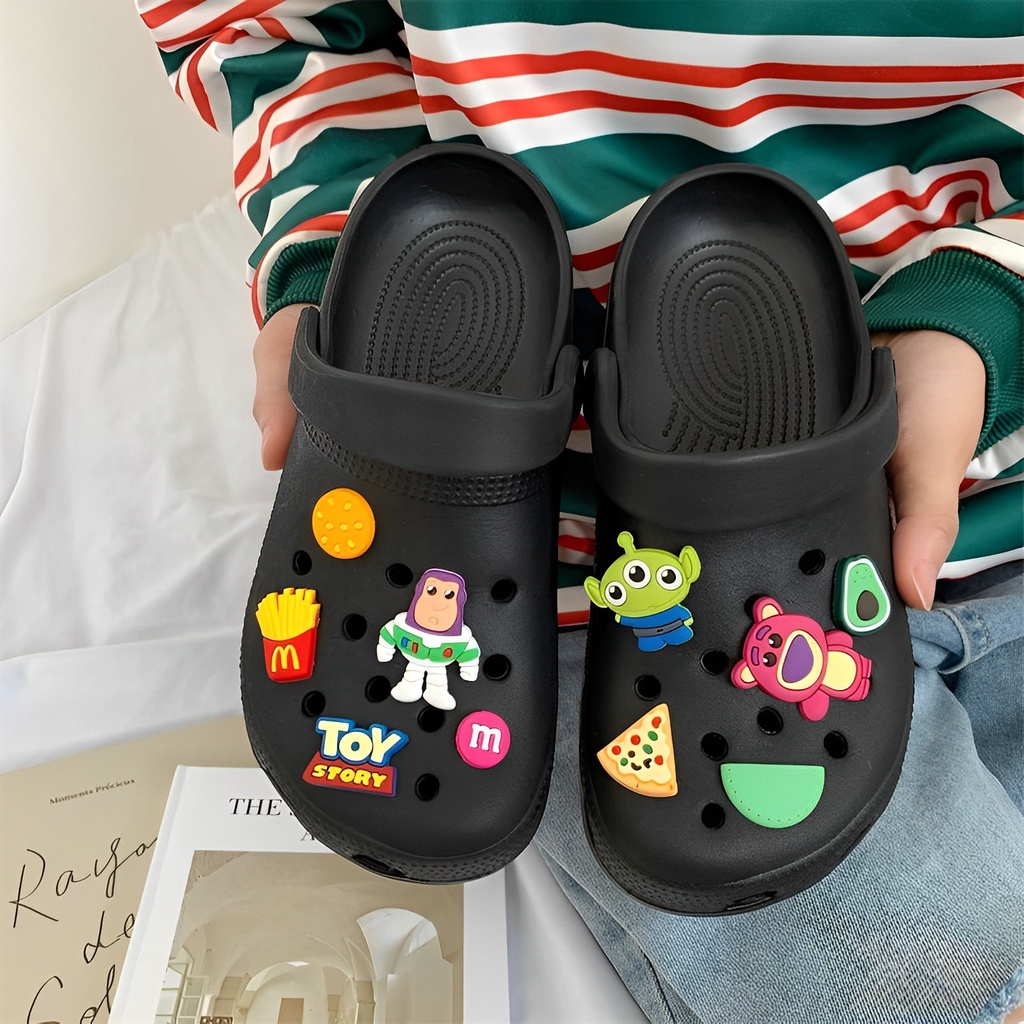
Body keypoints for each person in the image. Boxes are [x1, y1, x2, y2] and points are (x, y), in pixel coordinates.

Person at [136, 2, 1023, 1020]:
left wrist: (987, 308)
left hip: (961, 461)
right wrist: (333, 254)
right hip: (574, 577)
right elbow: (258, 24)